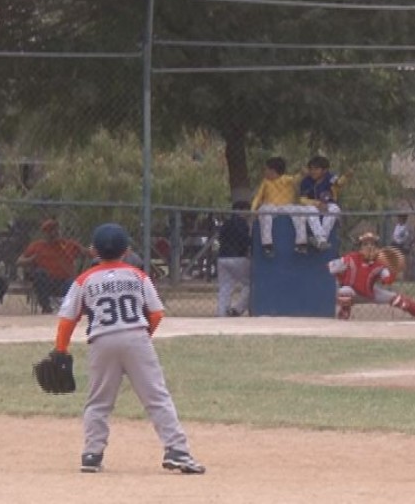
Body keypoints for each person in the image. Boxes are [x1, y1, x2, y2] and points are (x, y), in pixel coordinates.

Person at [51, 222, 205, 474]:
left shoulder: (84, 279)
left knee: (98, 402)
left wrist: (61, 349)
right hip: (136, 336)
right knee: (156, 397)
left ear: (93, 251)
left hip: (101, 341)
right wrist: (144, 337)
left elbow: (68, 319)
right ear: (127, 251)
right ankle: (177, 450)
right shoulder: (137, 275)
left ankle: (92, 454)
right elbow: (156, 312)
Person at [328, 231, 415, 321]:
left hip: (370, 293)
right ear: (359, 247)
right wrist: (341, 278)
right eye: (365, 244)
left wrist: (394, 270)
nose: (369, 247)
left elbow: (387, 280)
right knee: (344, 291)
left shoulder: (379, 263)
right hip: (353, 293)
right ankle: (345, 311)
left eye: (372, 244)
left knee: (396, 298)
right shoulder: (351, 258)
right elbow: (331, 267)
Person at [251, 156, 320, 257]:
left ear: (272, 171)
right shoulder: (266, 182)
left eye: (266, 169)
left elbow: (296, 179)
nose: (264, 171)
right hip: (271, 207)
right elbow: (258, 196)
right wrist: (253, 210)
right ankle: (267, 244)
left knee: (299, 211)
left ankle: (301, 243)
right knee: (264, 210)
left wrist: (302, 174)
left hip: (287, 206)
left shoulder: (287, 180)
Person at [16, 219, 89, 314]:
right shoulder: (37, 246)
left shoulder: (67, 244)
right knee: (39, 274)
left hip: (64, 281)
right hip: (47, 282)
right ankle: (46, 308)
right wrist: (31, 260)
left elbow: (87, 252)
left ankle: (71, 310)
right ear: (45, 233)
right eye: (50, 231)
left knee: (74, 282)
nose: (53, 233)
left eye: (55, 230)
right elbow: (19, 261)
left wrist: (95, 249)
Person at [216, 200, 252, 317]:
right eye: (247, 211)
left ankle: (222, 313)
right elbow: (245, 241)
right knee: (251, 283)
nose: (248, 214)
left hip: (222, 257)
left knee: (225, 286)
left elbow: (220, 238)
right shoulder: (242, 223)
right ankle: (238, 309)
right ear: (241, 211)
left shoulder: (226, 223)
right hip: (237, 257)